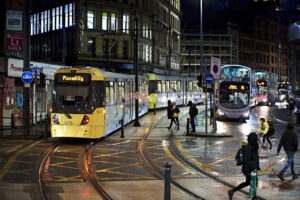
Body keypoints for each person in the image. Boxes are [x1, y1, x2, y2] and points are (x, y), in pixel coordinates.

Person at [228, 132, 260, 200]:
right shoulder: (248, 147)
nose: (257, 139)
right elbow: (246, 160)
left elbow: (255, 158)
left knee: (248, 182)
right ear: (253, 139)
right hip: (248, 169)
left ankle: (232, 191)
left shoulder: (253, 146)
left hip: (250, 168)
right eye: (256, 138)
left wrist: (256, 167)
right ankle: (253, 197)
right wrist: (254, 168)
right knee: (254, 181)